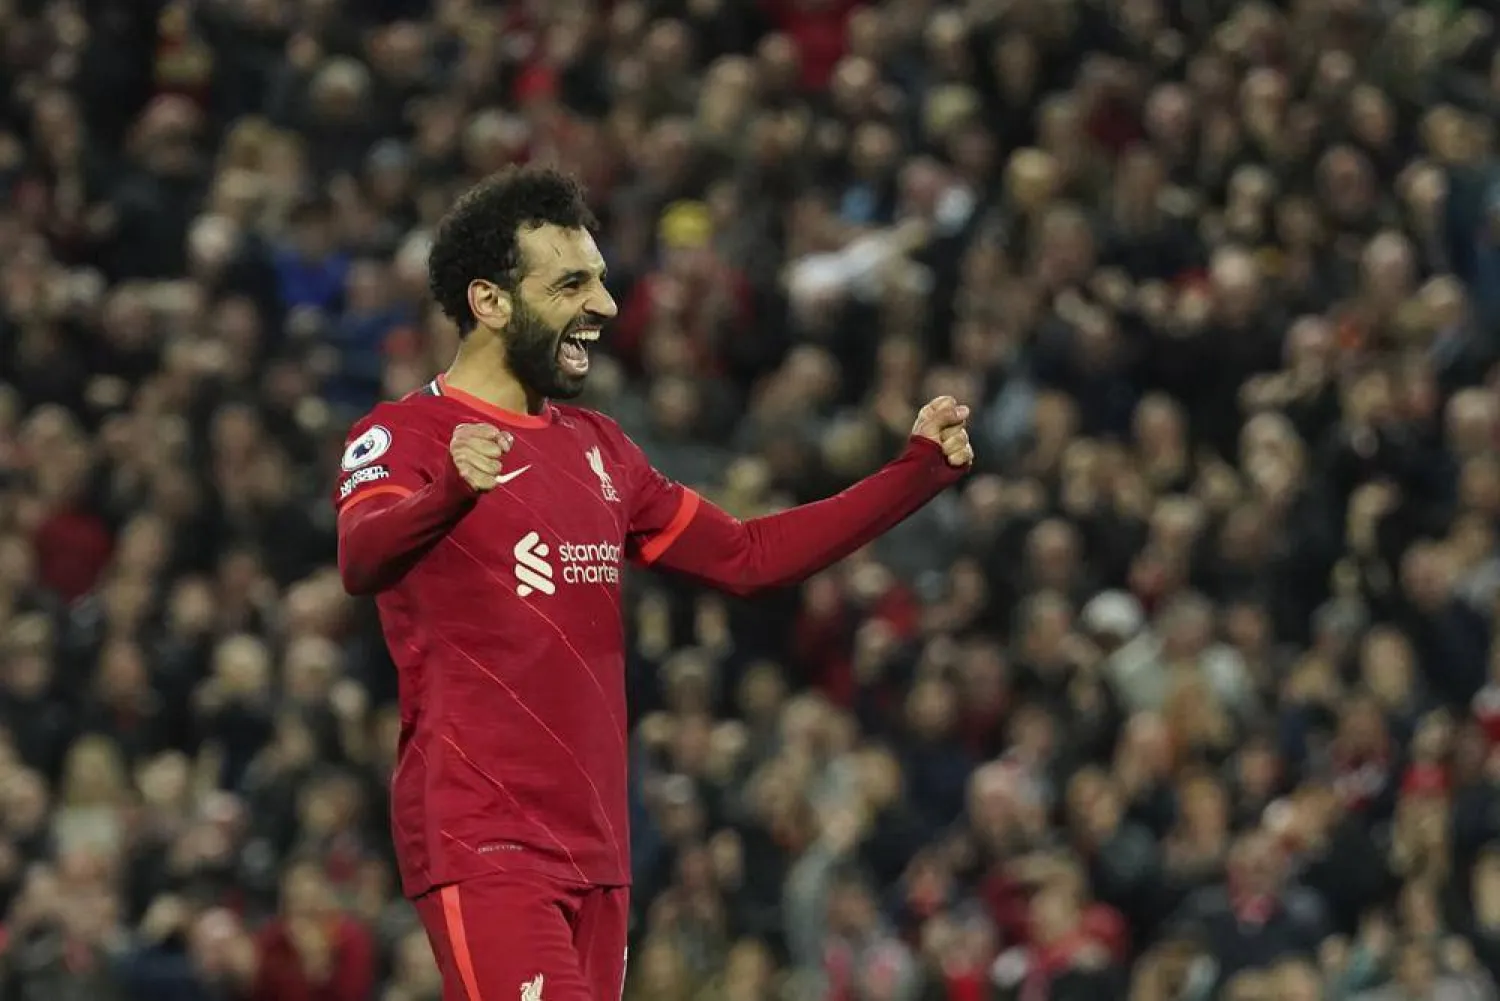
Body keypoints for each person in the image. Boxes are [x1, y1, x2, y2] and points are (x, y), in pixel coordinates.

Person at [331, 165, 974, 1001]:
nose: (604, 304)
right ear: (489, 301)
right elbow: (362, 556)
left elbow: (748, 555)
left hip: (600, 848)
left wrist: (914, 472)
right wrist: (449, 491)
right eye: (571, 283)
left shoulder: (601, 447)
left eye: (600, 279)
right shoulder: (404, 434)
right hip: (483, 835)